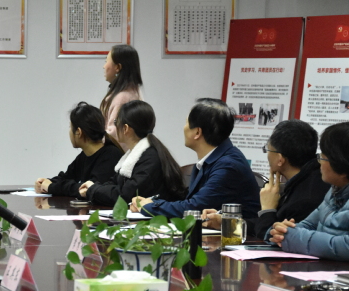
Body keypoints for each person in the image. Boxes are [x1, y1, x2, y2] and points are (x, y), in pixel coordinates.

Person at [131, 98, 260, 219]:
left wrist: (149, 207)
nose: (184, 127)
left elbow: (194, 208)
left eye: (186, 122)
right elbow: (191, 201)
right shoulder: (216, 158)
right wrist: (152, 202)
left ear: (197, 132)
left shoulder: (228, 165)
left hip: (241, 234)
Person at [202, 120, 329, 238]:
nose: (267, 155)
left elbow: (270, 235)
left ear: (280, 159)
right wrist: (225, 223)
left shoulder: (305, 199)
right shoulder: (304, 179)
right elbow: (261, 224)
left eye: (267, 150)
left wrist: (268, 209)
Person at [79, 100, 186, 207]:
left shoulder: (150, 158)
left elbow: (124, 196)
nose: (115, 127)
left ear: (125, 128)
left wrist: (93, 189)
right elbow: (114, 183)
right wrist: (93, 187)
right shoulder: (137, 154)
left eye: (116, 122)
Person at [269, 122, 349, 260]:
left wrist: (293, 237)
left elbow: (345, 245)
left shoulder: (311, 193)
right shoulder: (335, 190)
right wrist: (280, 231)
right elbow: (309, 224)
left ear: (341, 164)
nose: (319, 162)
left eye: (323, 157)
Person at [35, 102, 122, 198]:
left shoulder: (111, 155)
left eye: (70, 127)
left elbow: (88, 189)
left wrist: (51, 187)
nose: (69, 132)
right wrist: (47, 182)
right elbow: (66, 177)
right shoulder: (84, 156)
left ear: (79, 132)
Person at [100, 44, 143, 147]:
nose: (104, 66)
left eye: (106, 61)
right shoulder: (132, 92)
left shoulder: (123, 98)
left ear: (118, 67)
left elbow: (113, 135)